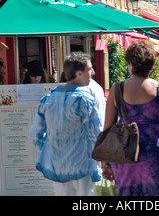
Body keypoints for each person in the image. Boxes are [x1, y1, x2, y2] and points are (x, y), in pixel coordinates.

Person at [102, 40, 159, 196]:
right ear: (151, 64)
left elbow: (108, 127)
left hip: (124, 152)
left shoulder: (117, 89)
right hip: (153, 152)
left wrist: (105, 163)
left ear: (130, 63)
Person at [29, 52, 103, 196]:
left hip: (58, 166)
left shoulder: (48, 99)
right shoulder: (84, 100)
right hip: (84, 166)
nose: (92, 73)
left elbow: (34, 135)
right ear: (79, 73)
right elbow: (97, 134)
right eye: (89, 69)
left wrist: (51, 148)